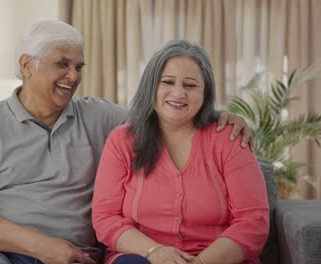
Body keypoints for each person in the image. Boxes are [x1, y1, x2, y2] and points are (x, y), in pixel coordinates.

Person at [0, 21, 253, 264]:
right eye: (62, 64)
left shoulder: (99, 116)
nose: (73, 76)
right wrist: (45, 248)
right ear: (27, 65)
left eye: (79, 67)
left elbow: (165, 113)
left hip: (75, 256)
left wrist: (221, 116)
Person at [91, 39, 269, 264]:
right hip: (142, 256)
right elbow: (105, 218)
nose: (178, 93)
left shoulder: (229, 138)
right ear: (151, 87)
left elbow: (253, 221)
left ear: (206, 92)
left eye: (190, 85)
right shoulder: (123, 140)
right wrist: (154, 250)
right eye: (168, 82)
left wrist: (202, 262)